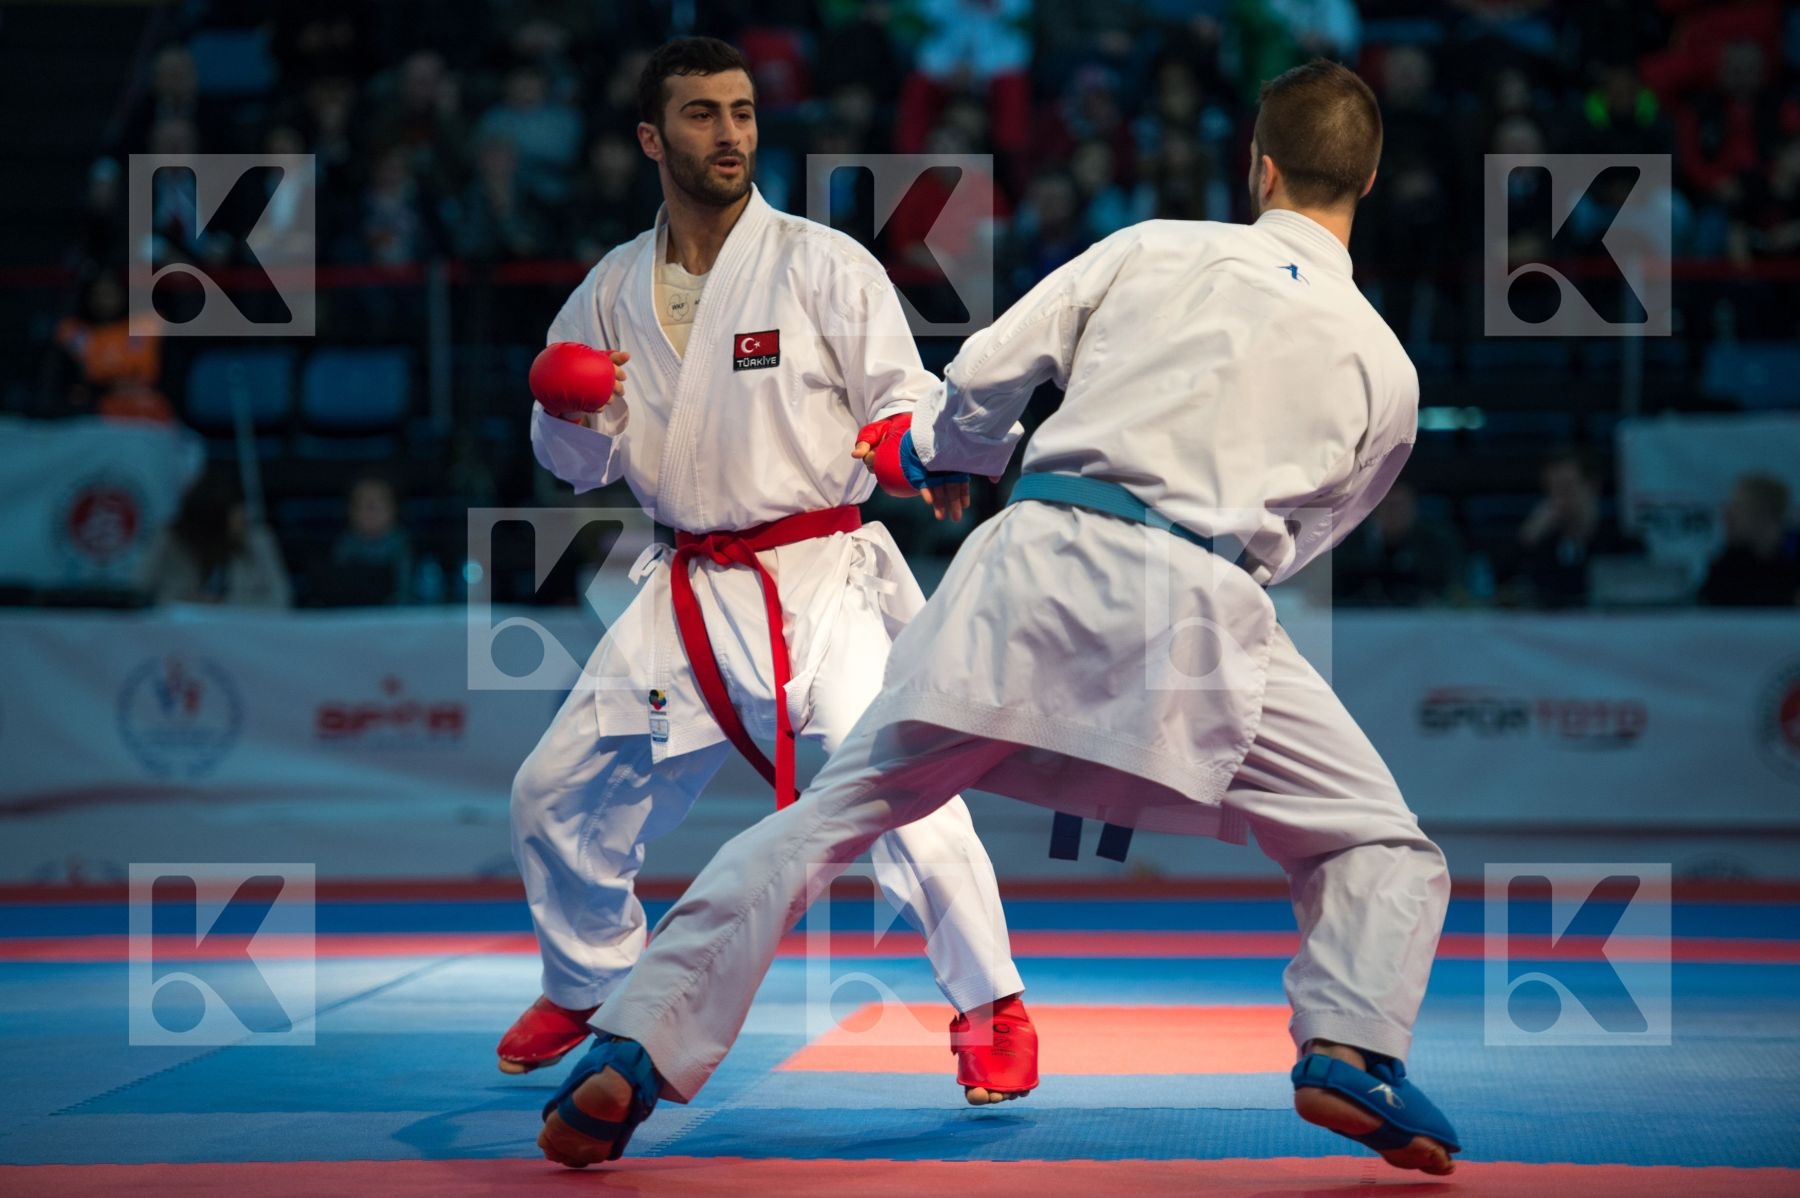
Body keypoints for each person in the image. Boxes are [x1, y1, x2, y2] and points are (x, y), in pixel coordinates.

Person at [535, 59, 1462, 1178]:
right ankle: (1351, 1046)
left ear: (1258, 167)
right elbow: (1316, 530)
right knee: (1374, 841)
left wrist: (940, 451)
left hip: (1031, 564)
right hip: (1198, 605)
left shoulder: (1152, 248)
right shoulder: (1388, 368)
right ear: (1369, 178)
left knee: (831, 815)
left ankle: (636, 1043)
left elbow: (985, 371)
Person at [502, 37, 1036, 1107]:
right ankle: (592, 978)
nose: (730, 133)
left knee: (902, 781)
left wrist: (914, 450)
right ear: (652, 138)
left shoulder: (822, 264)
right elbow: (574, 467)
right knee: (553, 793)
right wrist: (568, 408)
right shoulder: (610, 289)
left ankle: (993, 1007)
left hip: (818, 577)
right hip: (687, 588)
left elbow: (901, 395)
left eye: (742, 112)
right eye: (702, 114)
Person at [143, 473, 292, 608]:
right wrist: (183, 601)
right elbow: (140, 589)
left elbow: (281, 599)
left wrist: (224, 604)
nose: (243, 518)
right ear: (212, 520)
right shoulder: (171, 539)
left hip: (238, 626)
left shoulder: (258, 540)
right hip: (180, 626)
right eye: (234, 513)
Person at [1698, 472, 1800, 607]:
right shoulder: (1729, 566)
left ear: (1764, 514)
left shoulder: (1793, 556)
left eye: (1738, 507)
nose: (1727, 516)